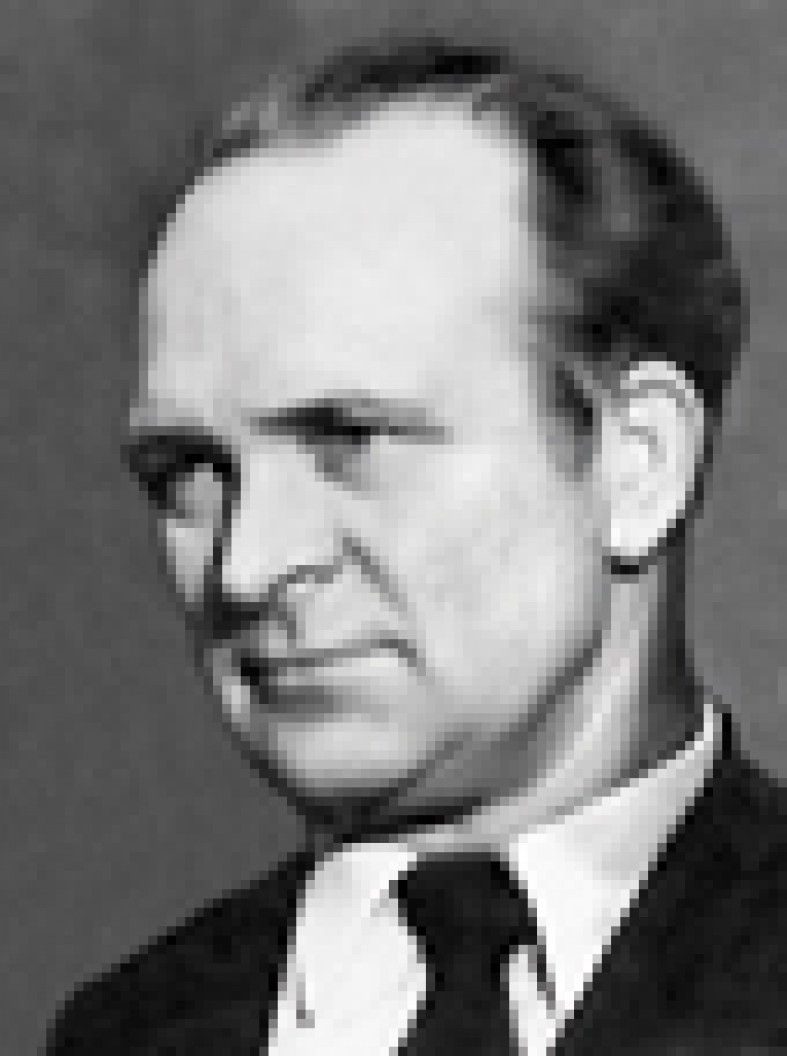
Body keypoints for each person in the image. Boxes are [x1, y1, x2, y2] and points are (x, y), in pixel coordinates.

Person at [47, 35, 787, 1055]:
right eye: (188, 470)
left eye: (349, 437)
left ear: (637, 463)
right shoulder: (121, 1034)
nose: (247, 566)